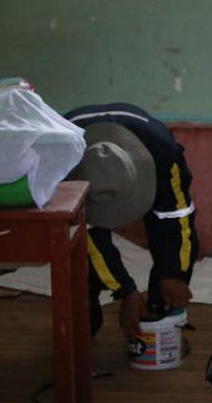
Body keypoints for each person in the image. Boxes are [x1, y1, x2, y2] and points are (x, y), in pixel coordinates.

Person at [64, 103, 199, 339]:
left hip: (152, 156)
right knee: (78, 260)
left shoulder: (164, 156)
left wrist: (174, 274)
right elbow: (86, 234)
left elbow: (178, 220)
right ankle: (83, 326)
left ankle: (158, 312)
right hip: (74, 176)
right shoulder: (60, 157)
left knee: (169, 257)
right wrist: (125, 290)